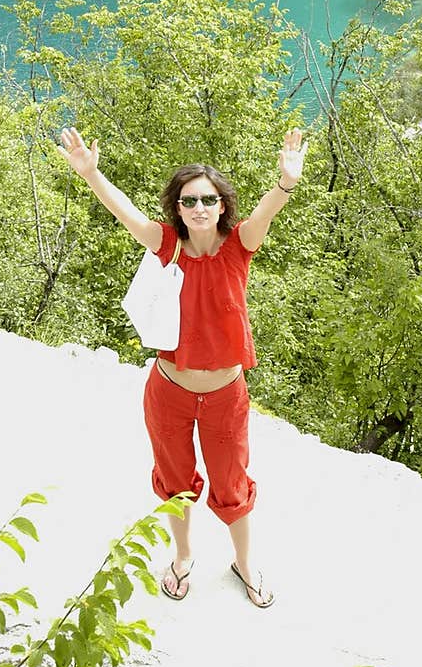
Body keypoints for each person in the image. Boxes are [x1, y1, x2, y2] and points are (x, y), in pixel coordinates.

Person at [57, 123, 309, 609]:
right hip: (169, 391)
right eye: (189, 201)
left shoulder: (239, 248)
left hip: (225, 396)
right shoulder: (167, 247)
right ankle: (184, 556)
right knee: (174, 481)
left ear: (221, 206)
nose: (199, 208)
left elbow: (266, 212)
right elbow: (123, 211)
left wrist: (286, 181)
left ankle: (245, 564)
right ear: (177, 208)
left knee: (232, 485)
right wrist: (91, 174)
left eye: (208, 200)